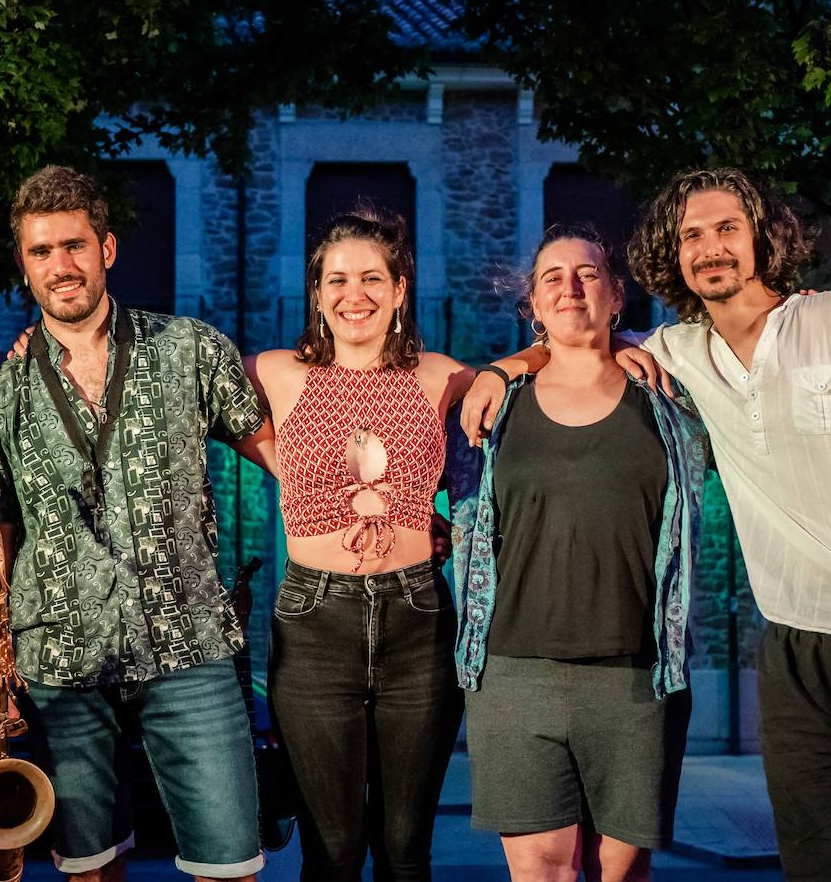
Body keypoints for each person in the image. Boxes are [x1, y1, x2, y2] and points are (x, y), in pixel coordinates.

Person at [464, 168, 831, 880]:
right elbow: (579, 338)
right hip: (794, 656)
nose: (709, 248)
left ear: (764, 236)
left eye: (726, 228)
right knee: (827, 864)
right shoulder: (677, 355)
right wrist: (506, 366)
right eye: (690, 235)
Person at [243, 209, 662, 880]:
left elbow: (548, 358)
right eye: (338, 280)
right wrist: (276, 459)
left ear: (401, 288)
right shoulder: (273, 372)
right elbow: (188, 390)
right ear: (317, 292)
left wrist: (624, 341)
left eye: (374, 278)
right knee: (332, 850)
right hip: (314, 624)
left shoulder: (442, 377)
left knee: (408, 849)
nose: (356, 295)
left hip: (417, 621)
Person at [0, 165, 274, 882]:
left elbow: (282, 456)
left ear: (107, 249)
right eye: (41, 252)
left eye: (74, 246)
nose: (60, 266)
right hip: (59, 662)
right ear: (23, 265)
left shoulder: (190, 347)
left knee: (232, 869)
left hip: (189, 644)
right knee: (89, 870)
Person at [447, 225, 705, 882]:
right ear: (533, 305)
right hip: (514, 673)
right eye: (552, 277)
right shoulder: (494, 406)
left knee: (618, 874)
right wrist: (506, 366)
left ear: (618, 296)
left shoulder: (670, 400)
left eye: (588, 273)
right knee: (542, 873)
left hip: (635, 677)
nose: (570, 287)